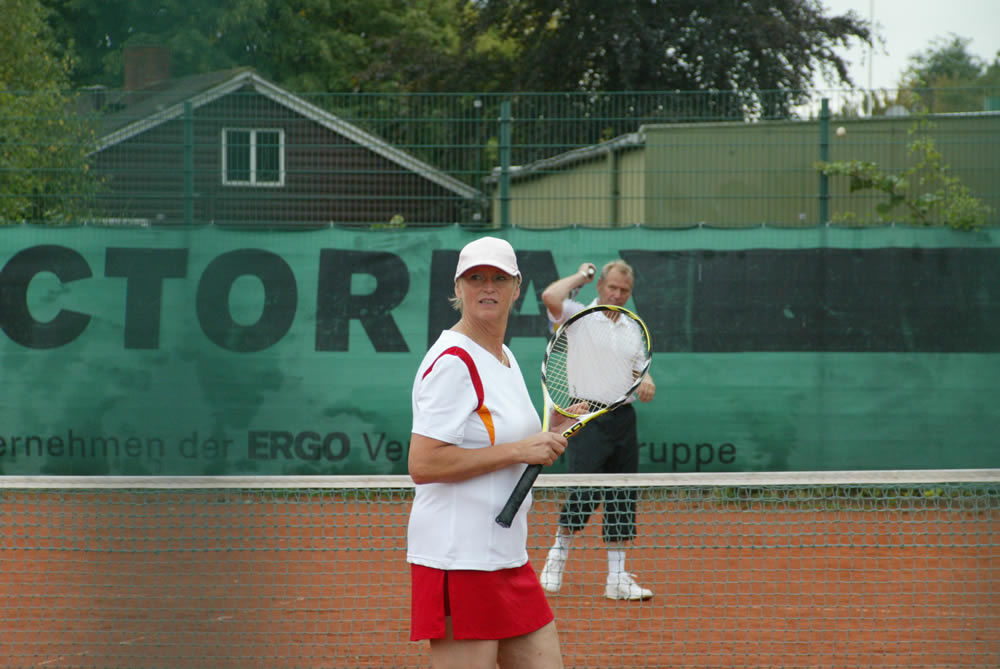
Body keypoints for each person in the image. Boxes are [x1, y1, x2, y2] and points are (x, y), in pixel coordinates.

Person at [407, 236, 578, 669]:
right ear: (458, 288)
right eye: (476, 278)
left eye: (499, 279)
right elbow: (423, 463)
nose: (488, 287)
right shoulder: (453, 361)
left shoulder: (504, 357)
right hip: (458, 558)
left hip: (507, 556)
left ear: (516, 288)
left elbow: (503, 436)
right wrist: (520, 449)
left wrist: (554, 428)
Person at [538, 260, 657, 601]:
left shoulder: (633, 327)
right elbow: (550, 296)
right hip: (584, 415)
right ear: (600, 286)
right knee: (584, 492)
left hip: (623, 418)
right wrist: (581, 275)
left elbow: (639, 370)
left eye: (624, 290)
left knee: (622, 496)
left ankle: (616, 578)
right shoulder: (577, 316)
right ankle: (556, 559)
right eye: (612, 288)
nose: (617, 295)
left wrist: (647, 380)